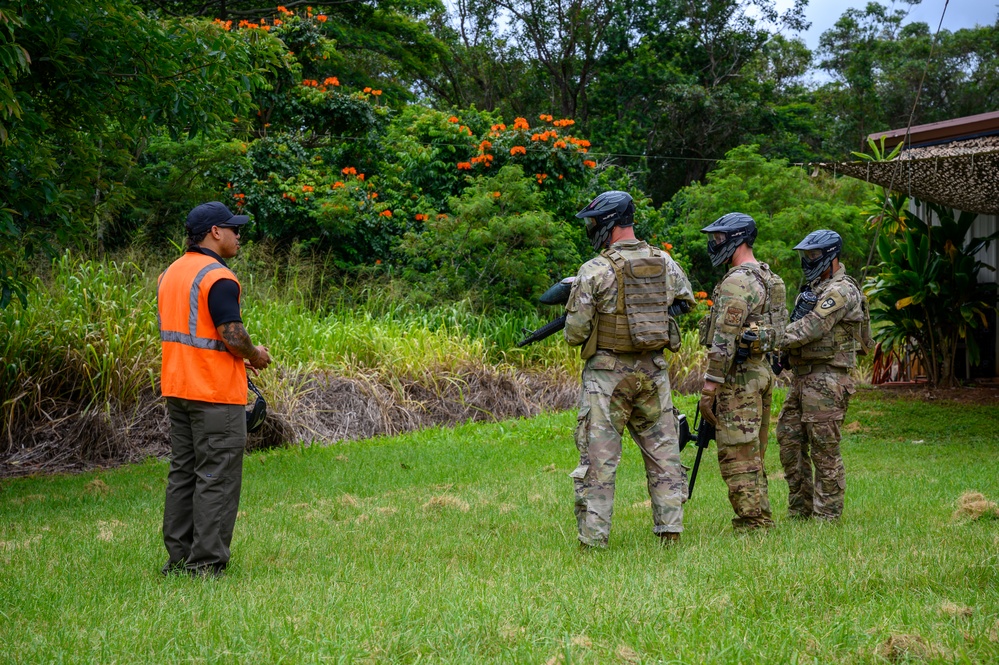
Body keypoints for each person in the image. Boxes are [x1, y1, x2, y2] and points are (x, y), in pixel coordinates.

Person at [564, 190, 696, 548]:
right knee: (664, 456)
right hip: (653, 373)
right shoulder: (664, 262)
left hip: (607, 376)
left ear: (608, 222)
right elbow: (686, 301)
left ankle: (593, 540)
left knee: (599, 463)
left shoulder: (595, 270)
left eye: (594, 221)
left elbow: (575, 334)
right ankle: (671, 533)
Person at [157, 201, 272, 577]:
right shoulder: (218, 277)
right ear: (214, 233)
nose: (239, 235)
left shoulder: (171, 273)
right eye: (233, 228)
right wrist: (256, 355)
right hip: (213, 394)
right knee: (216, 477)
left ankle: (179, 558)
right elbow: (231, 334)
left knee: (183, 474)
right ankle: (206, 564)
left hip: (178, 388)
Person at [697, 212, 786, 531]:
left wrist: (709, 387)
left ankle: (753, 523)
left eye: (719, 238)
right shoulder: (770, 277)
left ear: (739, 238)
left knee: (737, 453)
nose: (714, 244)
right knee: (753, 452)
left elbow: (724, 339)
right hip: (761, 372)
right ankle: (760, 515)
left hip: (739, 378)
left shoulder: (737, 280)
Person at [776, 230, 870, 521]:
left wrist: (771, 338)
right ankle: (800, 510)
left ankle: (826, 517)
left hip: (828, 379)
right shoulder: (816, 287)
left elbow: (812, 328)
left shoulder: (840, 290)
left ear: (831, 255)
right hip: (803, 377)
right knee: (789, 439)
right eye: (806, 255)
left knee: (824, 449)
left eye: (814, 255)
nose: (808, 261)